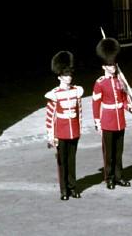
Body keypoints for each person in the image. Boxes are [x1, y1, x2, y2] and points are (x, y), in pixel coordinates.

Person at [92, 37, 132, 189]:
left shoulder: (119, 81)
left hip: (120, 120)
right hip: (108, 121)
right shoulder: (100, 83)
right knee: (109, 153)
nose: (113, 67)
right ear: (104, 66)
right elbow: (96, 104)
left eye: (114, 64)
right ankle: (109, 178)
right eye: (110, 65)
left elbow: (124, 100)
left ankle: (119, 176)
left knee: (119, 152)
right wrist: (97, 123)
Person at [44, 50, 83, 200]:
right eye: (66, 75)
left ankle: (73, 187)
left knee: (72, 160)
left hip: (73, 131)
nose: (69, 77)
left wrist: (78, 129)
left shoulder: (76, 91)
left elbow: (79, 111)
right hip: (61, 132)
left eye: (70, 74)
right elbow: (50, 117)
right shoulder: (54, 94)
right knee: (62, 162)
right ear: (60, 76)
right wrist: (51, 136)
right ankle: (64, 190)